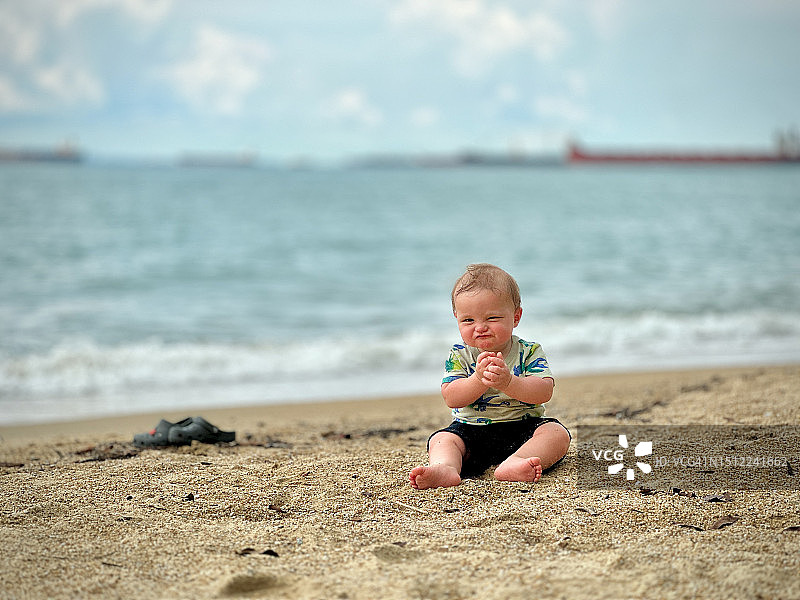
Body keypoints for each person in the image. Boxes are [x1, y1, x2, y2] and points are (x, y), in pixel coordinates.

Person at [409, 263, 571, 490]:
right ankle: (446, 467)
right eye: (468, 320)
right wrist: (477, 380)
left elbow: (544, 391)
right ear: (456, 318)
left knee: (557, 434)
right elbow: (451, 397)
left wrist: (509, 382)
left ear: (516, 317)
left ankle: (515, 463)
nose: (480, 327)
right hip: (470, 431)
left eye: (492, 318)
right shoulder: (460, 354)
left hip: (523, 428)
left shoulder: (529, 351)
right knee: (442, 439)